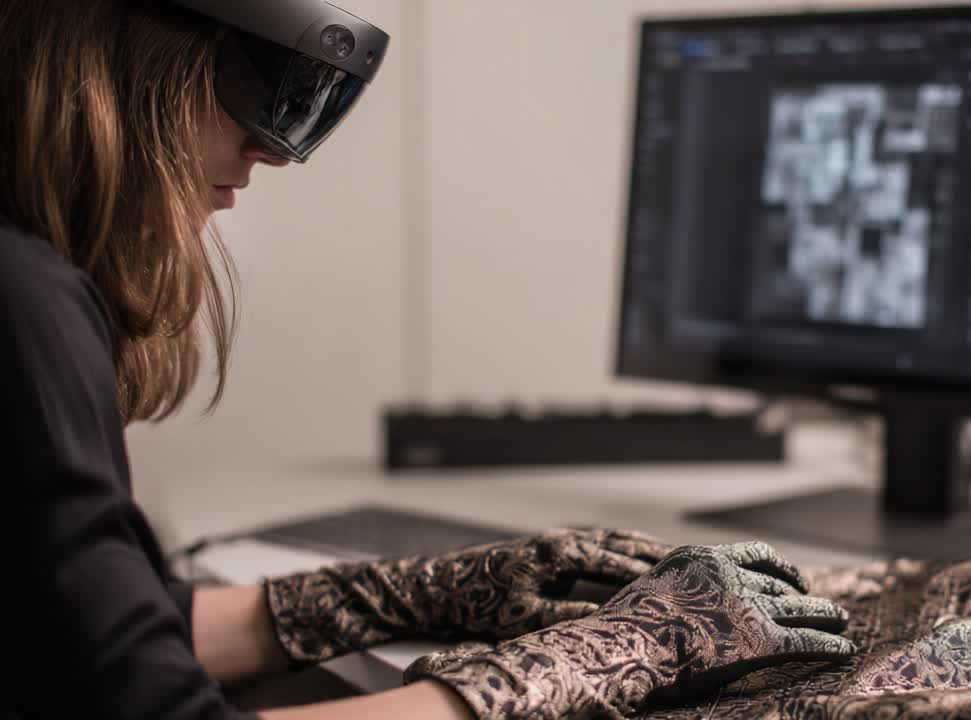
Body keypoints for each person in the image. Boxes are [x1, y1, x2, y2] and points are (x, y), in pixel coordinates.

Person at [0, 2, 856, 719]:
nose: (273, 152)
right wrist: (588, 662)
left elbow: (108, 645)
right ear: (115, 49)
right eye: (262, 84)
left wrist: (414, 593)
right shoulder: (22, 295)